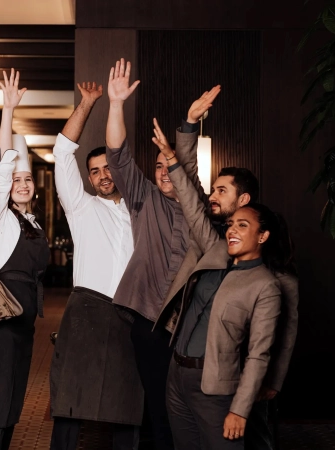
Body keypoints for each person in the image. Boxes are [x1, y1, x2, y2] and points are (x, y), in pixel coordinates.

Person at [161, 94, 299, 449]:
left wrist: (271, 384)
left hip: (230, 380)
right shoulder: (215, 242)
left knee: (255, 438)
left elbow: (279, 338)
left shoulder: (273, 277)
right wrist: (188, 127)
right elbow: (188, 190)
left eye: (221, 191)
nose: (212, 195)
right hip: (182, 372)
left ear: (245, 202)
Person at [105, 58, 213, 450]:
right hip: (149, 319)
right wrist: (115, 104)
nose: (165, 172)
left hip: (188, 325)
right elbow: (118, 156)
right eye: (158, 167)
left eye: (171, 167)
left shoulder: (198, 204)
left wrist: (189, 124)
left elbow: (184, 164)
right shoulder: (144, 197)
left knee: (185, 406)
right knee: (157, 406)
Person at [49, 82, 142, 450]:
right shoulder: (81, 207)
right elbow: (61, 151)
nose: (103, 175)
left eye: (108, 167)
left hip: (132, 313)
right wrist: (87, 103)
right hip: (87, 311)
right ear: (88, 178)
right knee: (70, 402)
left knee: (128, 405)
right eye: (95, 171)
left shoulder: (142, 211)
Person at [0, 69, 50, 450]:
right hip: (2, 323)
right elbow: (1, 168)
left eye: (27, 180)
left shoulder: (35, 223)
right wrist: (8, 111)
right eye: (17, 180)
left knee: (13, 404)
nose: (21, 184)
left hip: (25, 324)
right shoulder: (1, 218)